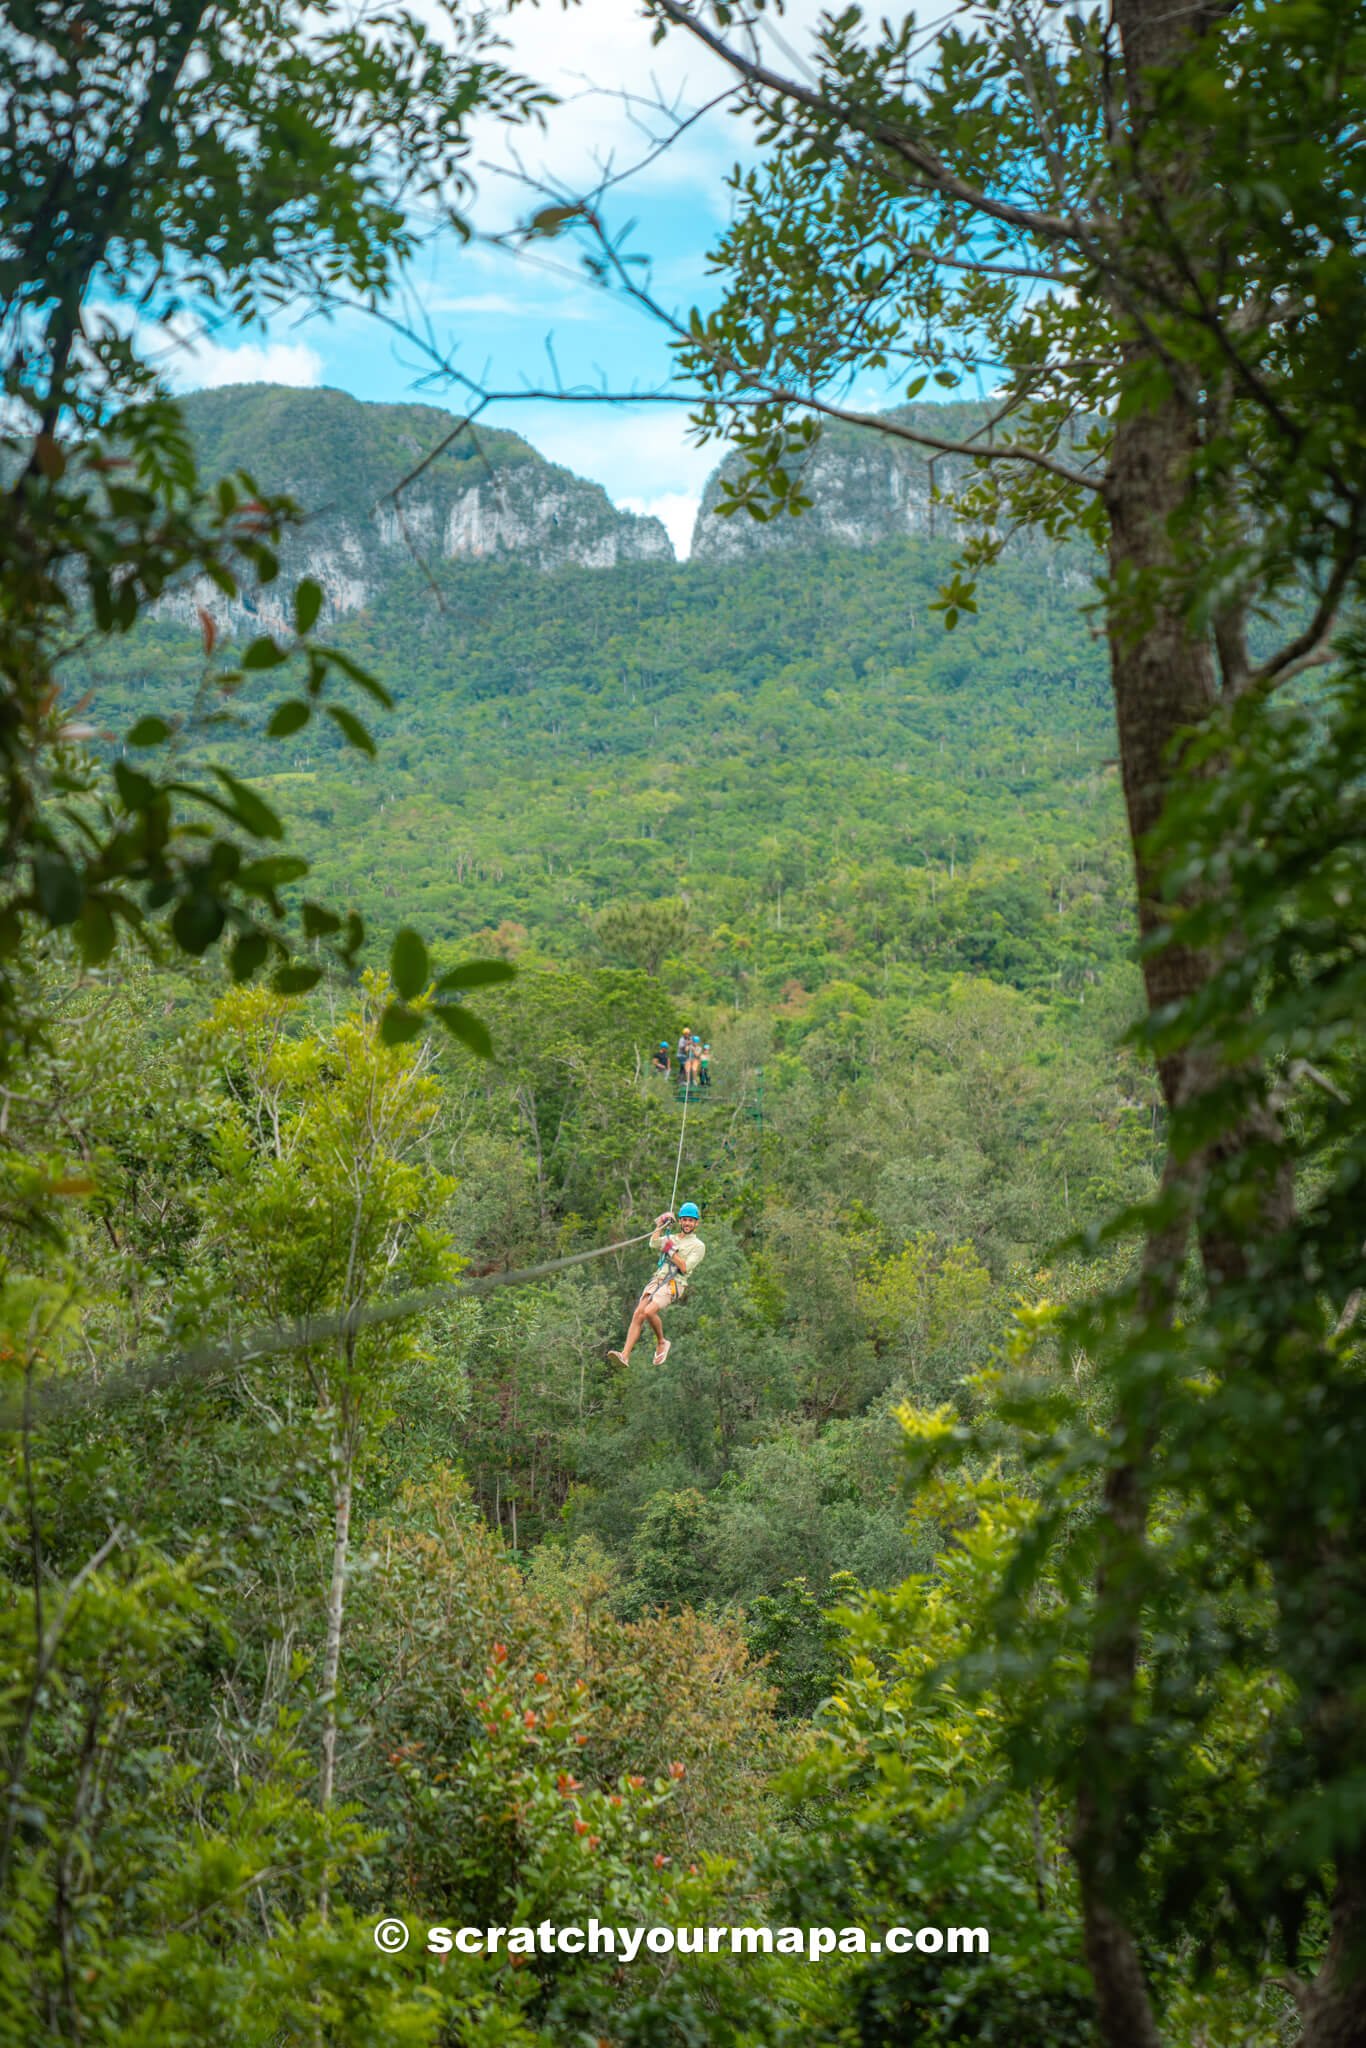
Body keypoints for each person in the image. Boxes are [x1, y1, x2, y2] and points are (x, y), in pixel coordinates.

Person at [607, 1202, 705, 1369]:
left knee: (649, 1311)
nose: (687, 1223)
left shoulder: (698, 1246)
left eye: (691, 1221)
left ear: (696, 1223)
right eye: (685, 1220)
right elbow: (653, 1243)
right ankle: (625, 1356)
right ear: (680, 1221)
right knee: (638, 1313)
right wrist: (660, 1225)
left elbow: (684, 1267)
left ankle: (661, 1342)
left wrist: (670, 1249)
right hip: (658, 1279)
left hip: (674, 1284)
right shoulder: (671, 1238)